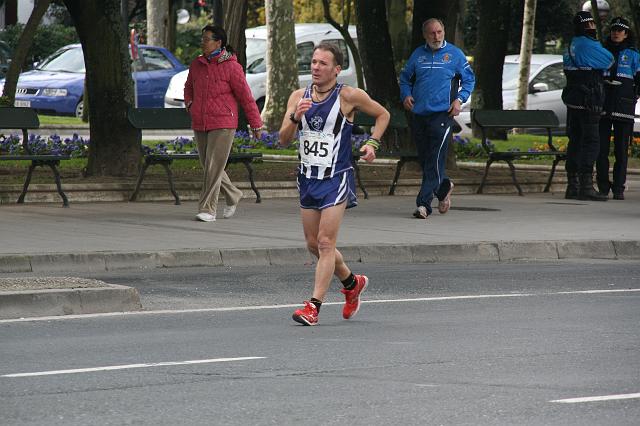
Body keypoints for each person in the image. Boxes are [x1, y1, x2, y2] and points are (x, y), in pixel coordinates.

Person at [279, 43, 390, 326]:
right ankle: (352, 283)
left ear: (336, 69)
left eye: (322, 63)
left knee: (327, 242)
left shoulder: (349, 96)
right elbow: (283, 139)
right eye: (313, 62)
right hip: (307, 178)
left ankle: (313, 306)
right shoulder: (297, 97)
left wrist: (372, 143)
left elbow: (382, 114)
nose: (315, 67)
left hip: (336, 178)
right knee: (313, 244)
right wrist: (295, 117)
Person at [184, 25, 263, 222]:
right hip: (201, 121)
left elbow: (246, 97)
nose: (202, 42)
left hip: (224, 122)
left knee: (213, 166)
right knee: (208, 164)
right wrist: (190, 104)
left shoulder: (232, 67)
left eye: (206, 39)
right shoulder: (197, 64)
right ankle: (233, 194)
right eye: (202, 39)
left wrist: (256, 123)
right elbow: (188, 87)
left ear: (218, 43)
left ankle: (208, 209)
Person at [399, 18, 475, 219]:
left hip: (443, 114)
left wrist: (459, 100)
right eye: (432, 33)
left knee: (433, 158)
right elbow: (405, 78)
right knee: (425, 160)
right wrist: (406, 95)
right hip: (419, 114)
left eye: (439, 32)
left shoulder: (455, 55)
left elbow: (469, 80)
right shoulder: (418, 55)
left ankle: (423, 204)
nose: (436, 36)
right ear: (425, 35)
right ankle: (444, 188)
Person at [561, 11, 614, 202]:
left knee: (574, 140)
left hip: (573, 97)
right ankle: (586, 186)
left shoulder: (570, 44)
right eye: (590, 23)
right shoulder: (588, 44)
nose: (593, 26)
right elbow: (609, 60)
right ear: (587, 26)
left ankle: (572, 185)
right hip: (589, 97)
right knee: (591, 140)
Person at [596, 16, 640, 201]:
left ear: (626, 34)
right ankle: (603, 186)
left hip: (624, 105)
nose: (616, 33)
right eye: (614, 29)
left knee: (621, 150)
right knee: (602, 150)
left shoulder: (634, 54)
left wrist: (634, 94)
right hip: (604, 104)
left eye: (620, 30)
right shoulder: (603, 51)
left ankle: (619, 188)